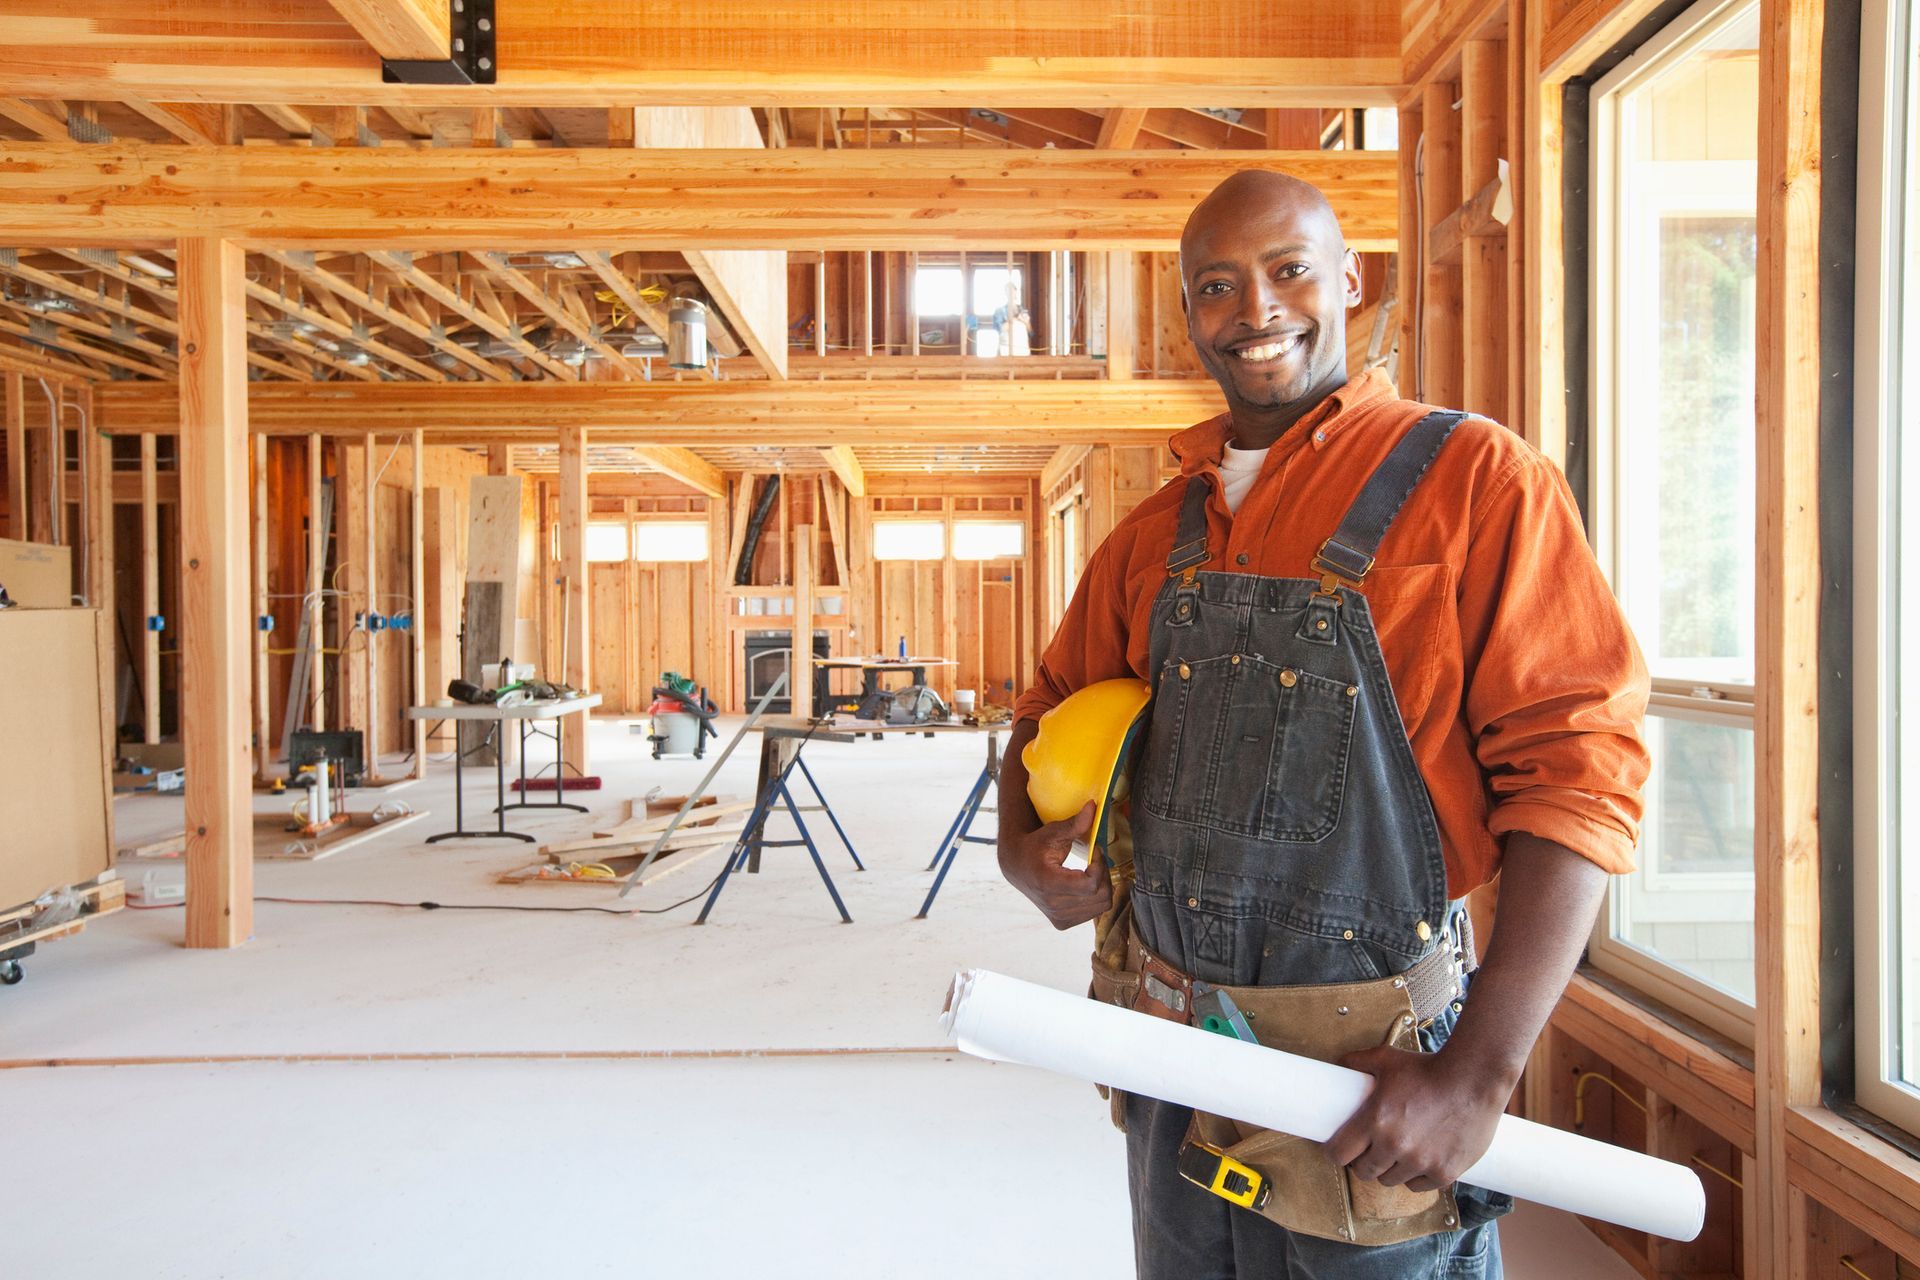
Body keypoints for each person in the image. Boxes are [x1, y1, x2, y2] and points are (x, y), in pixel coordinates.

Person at [996, 170, 1651, 1279]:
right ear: (1189, 312)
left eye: (1289, 269)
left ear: (1350, 281)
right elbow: (1042, 708)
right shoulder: (1153, 533)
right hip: (1173, 1066)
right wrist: (1017, 846)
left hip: (1374, 1080)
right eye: (1217, 285)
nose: (1255, 309)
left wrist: (1477, 1076)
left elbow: (1579, 775)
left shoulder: (1477, 481)